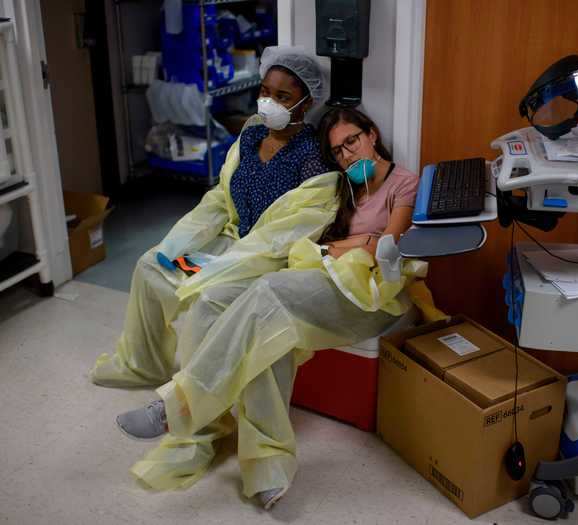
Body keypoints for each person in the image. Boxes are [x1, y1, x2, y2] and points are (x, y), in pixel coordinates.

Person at [116, 107, 426, 510]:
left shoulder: (404, 182)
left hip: (372, 295)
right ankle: (250, 460)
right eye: (338, 151)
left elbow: (385, 243)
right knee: (218, 304)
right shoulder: (344, 188)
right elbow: (315, 235)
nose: (347, 155)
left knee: (268, 295)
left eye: (352, 141)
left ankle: (178, 405)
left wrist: (337, 247)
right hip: (323, 277)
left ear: (372, 134)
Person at [90, 46, 336, 389]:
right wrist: (179, 242)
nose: (268, 103)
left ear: (307, 102)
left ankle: (195, 403)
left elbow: (285, 236)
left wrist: (221, 266)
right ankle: (142, 365)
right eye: (264, 92)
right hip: (229, 242)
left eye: (283, 96)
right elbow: (221, 197)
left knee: (209, 300)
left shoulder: (312, 159)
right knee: (150, 267)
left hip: (267, 260)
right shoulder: (251, 136)